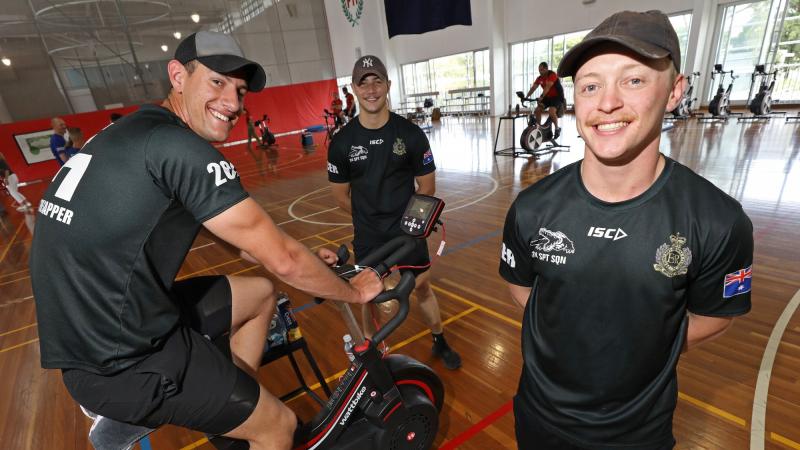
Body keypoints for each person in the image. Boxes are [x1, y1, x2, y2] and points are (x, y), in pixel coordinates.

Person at [30, 31, 383, 450]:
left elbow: (249, 241)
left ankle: (232, 413)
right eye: (217, 82)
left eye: (239, 91)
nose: (233, 103)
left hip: (95, 326)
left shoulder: (134, 134)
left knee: (260, 295)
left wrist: (304, 256)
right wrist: (353, 292)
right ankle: (219, 419)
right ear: (178, 76)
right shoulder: (178, 147)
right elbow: (285, 261)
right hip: (120, 358)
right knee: (279, 429)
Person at [499, 10, 753, 450]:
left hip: (636, 436)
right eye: (591, 85)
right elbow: (523, 289)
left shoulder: (717, 220)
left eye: (633, 80)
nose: (607, 103)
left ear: (675, 91)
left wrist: (645, 347)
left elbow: (716, 314)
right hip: (539, 420)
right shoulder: (532, 207)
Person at [326, 55, 462, 370]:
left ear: (388, 85)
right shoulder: (342, 143)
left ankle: (439, 338)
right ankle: (373, 352)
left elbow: (427, 185)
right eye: (364, 83)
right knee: (366, 296)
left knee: (422, 286)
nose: (371, 89)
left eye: (377, 81)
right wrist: (371, 217)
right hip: (370, 236)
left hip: (408, 233)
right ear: (354, 89)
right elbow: (340, 196)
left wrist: (405, 222)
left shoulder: (410, 134)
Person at [525, 62, 565, 139]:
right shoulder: (539, 78)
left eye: (542, 70)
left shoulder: (552, 75)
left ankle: (557, 128)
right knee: (537, 110)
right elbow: (533, 88)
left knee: (551, 111)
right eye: (539, 70)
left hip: (557, 97)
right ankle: (538, 128)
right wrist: (526, 96)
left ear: (546, 69)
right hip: (548, 97)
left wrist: (541, 96)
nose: (540, 72)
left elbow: (547, 87)